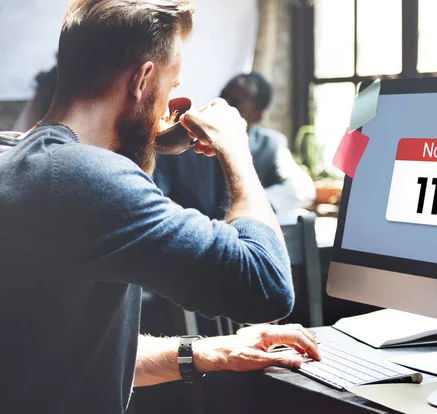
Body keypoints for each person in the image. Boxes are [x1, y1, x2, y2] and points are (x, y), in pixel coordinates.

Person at [0, 1, 319, 413]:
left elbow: (66, 354)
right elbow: (267, 286)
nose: (169, 104)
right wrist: (236, 151)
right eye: (171, 86)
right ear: (143, 79)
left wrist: (214, 351)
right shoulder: (86, 178)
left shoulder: (16, 157)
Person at [154, 72, 315, 223]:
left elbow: (302, 188)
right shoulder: (182, 141)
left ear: (257, 116)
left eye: (236, 102)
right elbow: (157, 196)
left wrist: (250, 205)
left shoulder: (269, 145)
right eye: (223, 96)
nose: (224, 105)